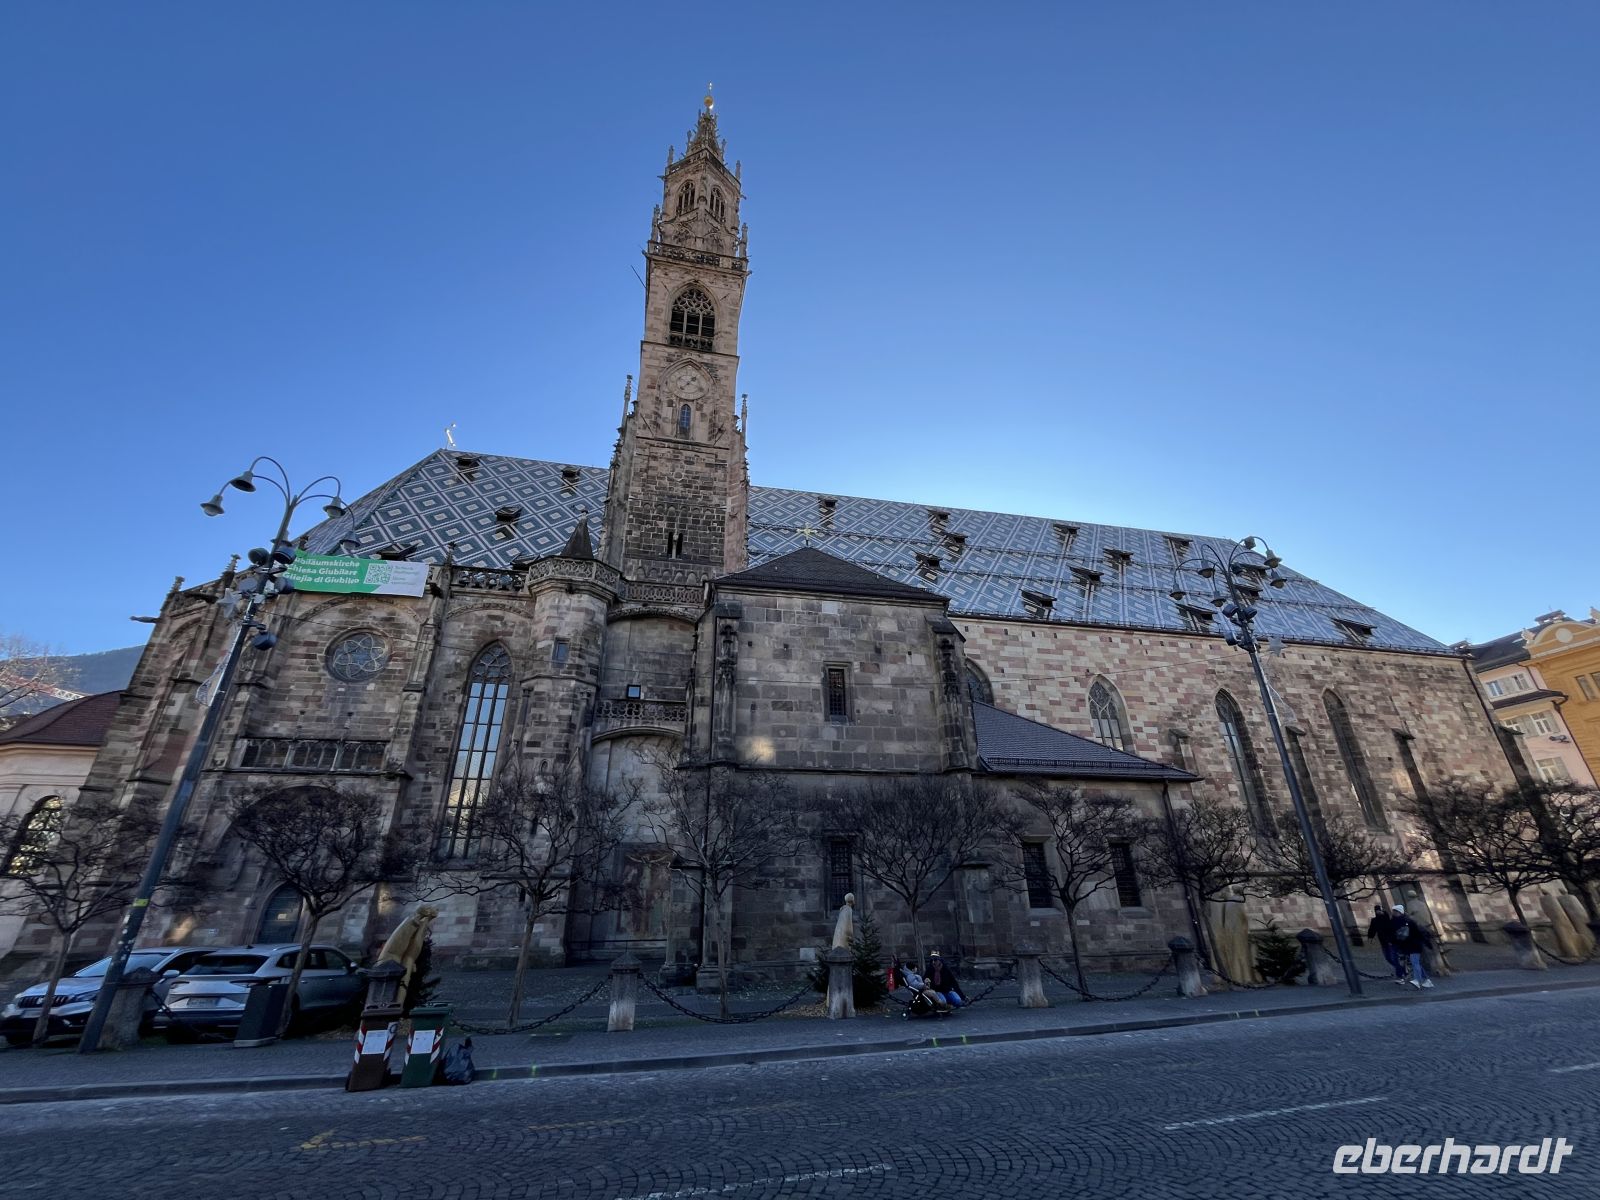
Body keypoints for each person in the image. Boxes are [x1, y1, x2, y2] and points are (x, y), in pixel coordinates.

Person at [1390, 904, 1435, 989]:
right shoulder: (1397, 921)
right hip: (1408, 946)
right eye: (1393, 911)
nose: (1393, 913)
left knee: (1415, 963)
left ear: (1399, 912)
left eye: (1395, 911)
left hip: (1415, 945)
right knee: (1415, 963)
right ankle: (1426, 981)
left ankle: (1417, 981)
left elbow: (1417, 933)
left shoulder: (1408, 922)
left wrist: (1427, 943)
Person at [1366, 903, 1407, 983]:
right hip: (1383, 942)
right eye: (1376, 910)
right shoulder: (1374, 920)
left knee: (1393, 958)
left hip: (1390, 941)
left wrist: (1383, 912)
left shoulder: (1386, 918)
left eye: (1379, 910)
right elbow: (1372, 929)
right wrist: (1370, 937)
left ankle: (1401, 973)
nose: (1378, 912)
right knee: (1388, 958)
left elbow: (1387, 917)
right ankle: (1401, 970)